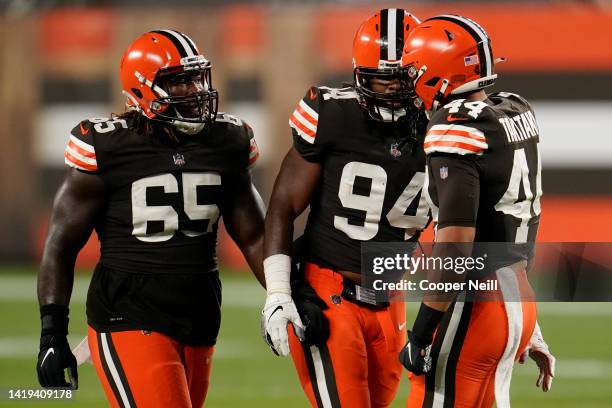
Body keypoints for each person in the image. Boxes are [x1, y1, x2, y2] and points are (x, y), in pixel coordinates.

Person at [36, 29, 265, 408]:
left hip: (200, 311)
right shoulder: (108, 146)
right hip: (129, 310)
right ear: (143, 89)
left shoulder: (226, 140)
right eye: (179, 82)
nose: (196, 90)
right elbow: (61, 243)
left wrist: (285, 295)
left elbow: (254, 235)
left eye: (199, 76)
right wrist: (51, 333)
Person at [261, 9, 430, 407]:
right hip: (330, 291)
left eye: (402, 79)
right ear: (359, 74)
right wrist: (279, 292)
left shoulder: (444, 122)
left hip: (392, 296)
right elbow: (283, 204)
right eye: (381, 79)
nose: (391, 90)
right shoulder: (332, 113)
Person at [398, 15, 556, 407]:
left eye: (414, 71)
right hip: (516, 290)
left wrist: (420, 334)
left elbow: (455, 243)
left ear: (436, 74)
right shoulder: (515, 109)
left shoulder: (455, 127)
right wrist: (525, 324)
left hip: (476, 298)